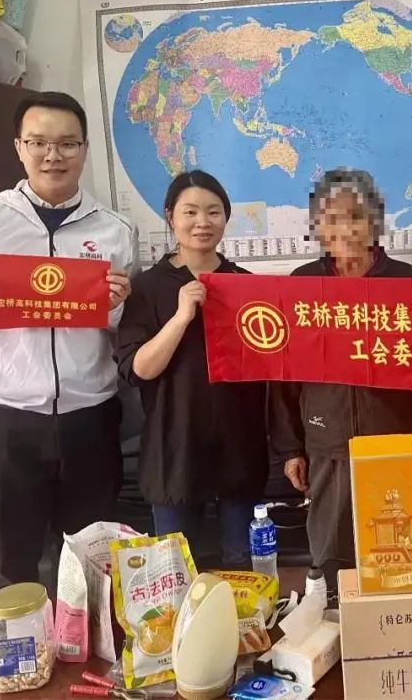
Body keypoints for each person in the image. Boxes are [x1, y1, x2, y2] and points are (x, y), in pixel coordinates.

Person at [0, 91, 138, 592]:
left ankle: (85, 641)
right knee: (10, 560)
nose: (53, 155)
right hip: (5, 419)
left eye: (67, 143)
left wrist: (117, 306)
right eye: (39, 142)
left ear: (84, 149)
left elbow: (126, 326)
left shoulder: (115, 230)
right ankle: (20, 643)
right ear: (19, 147)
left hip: (89, 417)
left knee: (91, 563)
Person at [269, 168, 412, 596]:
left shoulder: (407, 282)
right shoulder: (301, 285)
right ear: (317, 227)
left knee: (401, 552)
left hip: (399, 444)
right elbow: (283, 376)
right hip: (328, 446)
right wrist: (291, 449)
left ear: (375, 222)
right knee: (332, 559)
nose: (345, 229)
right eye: (331, 218)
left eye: (356, 216)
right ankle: (336, 627)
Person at [117, 171, 267, 569]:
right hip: (174, 448)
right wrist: (181, 316)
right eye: (191, 212)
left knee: (243, 566)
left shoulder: (246, 286)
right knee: (177, 573)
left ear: (226, 218)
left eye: (214, 212)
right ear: (170, 216)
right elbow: (139, 369)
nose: (203, 222)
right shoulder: (146, 288)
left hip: (238, 446)